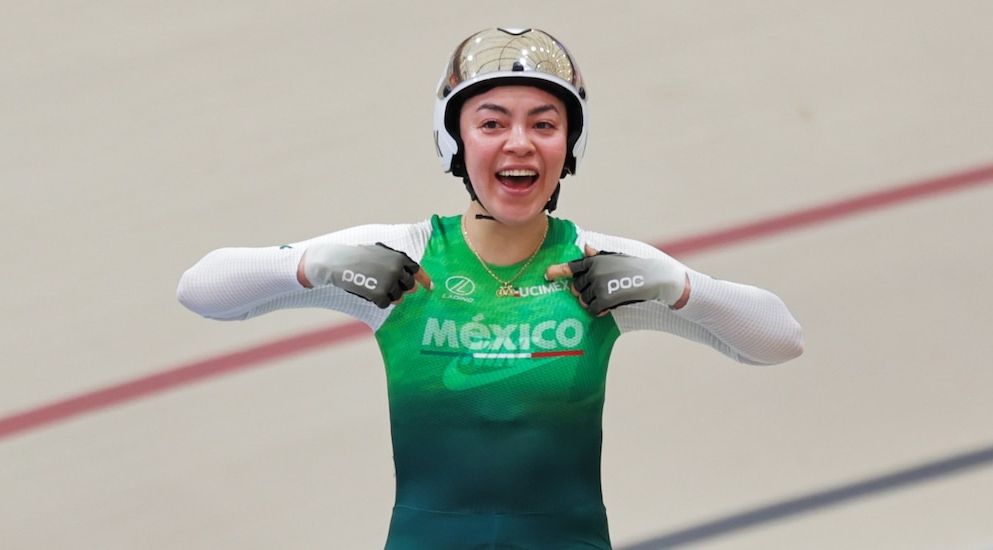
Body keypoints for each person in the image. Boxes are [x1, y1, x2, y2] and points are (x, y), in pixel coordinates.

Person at [177, 27, 802, 550]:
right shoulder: (405, 255)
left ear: (570, 145)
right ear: (456, 140)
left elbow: (780, 341)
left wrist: (679, 285)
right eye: (492, 122)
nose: (520, 143)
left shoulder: (603, 266)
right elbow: (200, 290)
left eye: (545, 123)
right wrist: (312, 265)